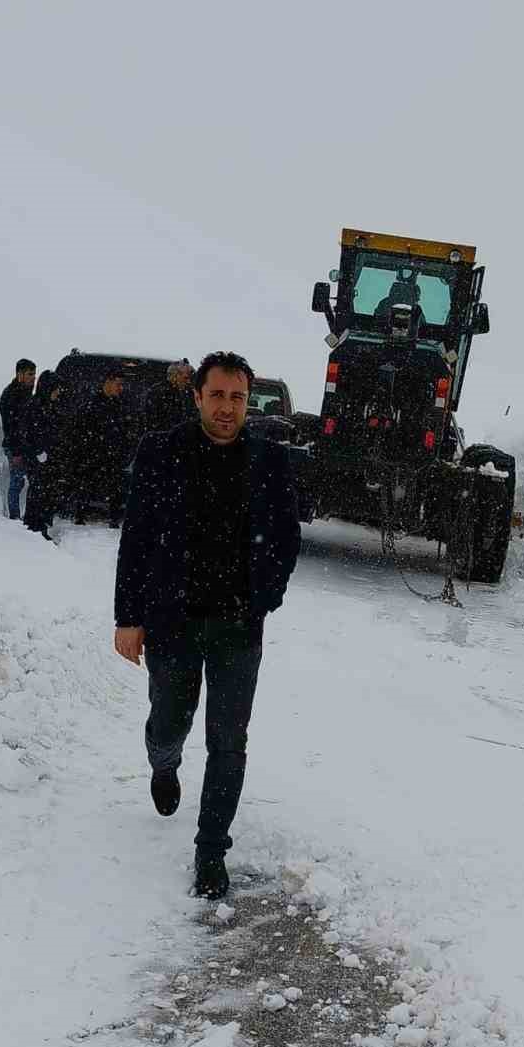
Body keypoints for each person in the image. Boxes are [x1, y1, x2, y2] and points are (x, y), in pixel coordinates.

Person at [113, 351, 301, 899]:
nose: (226, 407)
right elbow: (138, 538)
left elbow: (285, 541)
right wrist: (129, 617)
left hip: (238, 627)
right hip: (172, 619)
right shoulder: (161, 453)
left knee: (228, 740)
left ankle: (211, 848)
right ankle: (164, 762)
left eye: (237, 397)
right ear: (197, 396)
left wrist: (263, 598)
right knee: (170, 718)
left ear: (249, 401)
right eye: (216, 395)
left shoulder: (269, 460)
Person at [72, 367, 136, 524]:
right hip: (93, 455)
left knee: (116, 488)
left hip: (114, 456)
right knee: (86, 486)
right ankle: (80, 515)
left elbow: (127, 430)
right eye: (118, 384)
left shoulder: (121, 405)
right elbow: (81, 431)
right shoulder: (91, 404)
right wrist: (87, 451)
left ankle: (114, 518)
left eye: (122, 385)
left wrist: (125, 450)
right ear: (108, 381)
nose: (121, 388)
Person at [20, 371, 67, 539]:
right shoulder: (35, 406)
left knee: (48, 494)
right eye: (56, 389)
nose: (58, 392)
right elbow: (28, 433)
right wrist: (38, 451)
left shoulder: (51, 406)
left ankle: (43, 526)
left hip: (50, 459)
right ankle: (33, 527)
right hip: (38, 460)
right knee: (38, 494)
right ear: (47, 388)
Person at [0, 359, 37, 519]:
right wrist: (16, 452)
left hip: (25, 445)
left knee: (24, 481)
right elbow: (10, 427)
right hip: (15, 447)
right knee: (17, 481)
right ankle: (14, 518)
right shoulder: (11, 395)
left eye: (34, 374)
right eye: (30, 374)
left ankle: (24, 515)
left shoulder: (26, 393)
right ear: (19, 374)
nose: (33, 378)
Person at [144, 359, 196, 434]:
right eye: (186, 378)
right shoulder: (159, 392)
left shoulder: (184, 392)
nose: (188, 381)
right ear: (175, 376)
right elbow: (154, 421)